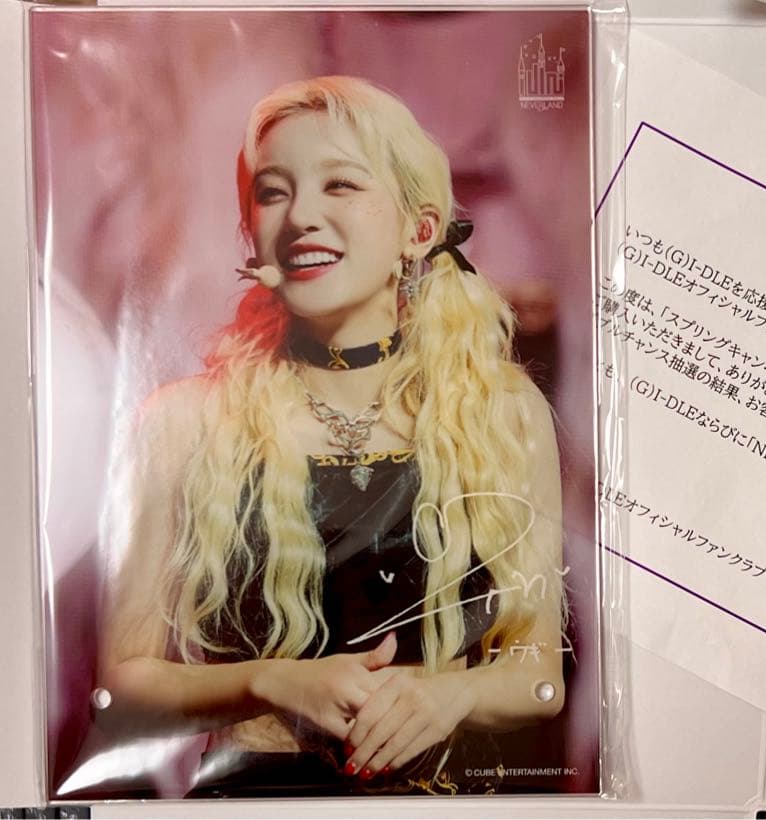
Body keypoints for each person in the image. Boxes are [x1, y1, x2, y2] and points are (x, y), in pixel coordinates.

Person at [94, 76, 568, 798]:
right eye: (273, 192)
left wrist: (451, 693)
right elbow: (117, 693)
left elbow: (540, 678)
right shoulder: (183, 423)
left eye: (340, 184)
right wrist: (271, 681)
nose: (301, 217)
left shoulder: (498, 412)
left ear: (419, 230)